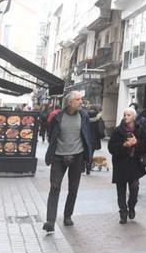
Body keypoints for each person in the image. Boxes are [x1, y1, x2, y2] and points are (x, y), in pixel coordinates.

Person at [43, 91, 94, 233]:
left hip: (77, 156)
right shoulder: (57, 117)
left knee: (73, 188)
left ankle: (67, 216)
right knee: (55, 187)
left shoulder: (84, 116)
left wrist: (87, 155)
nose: (81, 102)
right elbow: (51, 135)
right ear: (69, 102)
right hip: (59, 157)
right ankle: (50, 221)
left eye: (81, 99)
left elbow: (87, 136)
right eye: (78, 99)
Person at [108, 107, 146, 224]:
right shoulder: (117, 131)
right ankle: (123, 213)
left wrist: (137, 143)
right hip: (120, 164)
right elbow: (111, 148)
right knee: (120, 191)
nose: (126, 117)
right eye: (125, 115)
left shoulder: (140, 130)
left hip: (134, 164)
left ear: (134, 117)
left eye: (129, 115)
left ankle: (131, 206)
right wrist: (124, 145)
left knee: (134, 187)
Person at [85, 107, 106, 175]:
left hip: (86, 138)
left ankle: (86, 164)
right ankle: (88, 166)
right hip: (94, 140)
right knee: (91, 153)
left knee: (86, 152)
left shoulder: (85, 120)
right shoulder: (98, 120)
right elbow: (101, 131)